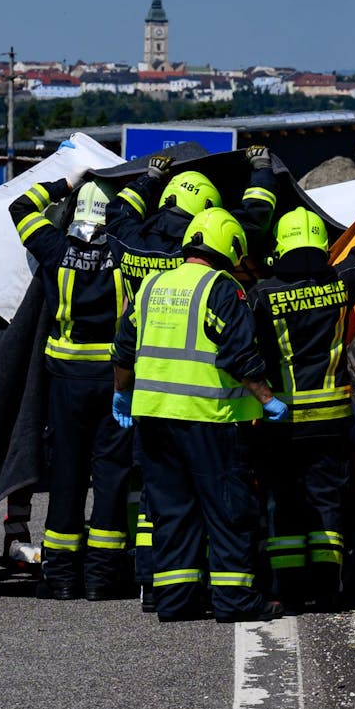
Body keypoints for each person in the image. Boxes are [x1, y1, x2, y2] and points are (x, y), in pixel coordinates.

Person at [105, 147, 279, 611]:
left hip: (152, 418)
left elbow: (123, 348)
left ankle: (176, 599)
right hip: (210, 419)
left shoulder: (151, 282)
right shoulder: (223, 288)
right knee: (227, 508)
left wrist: (122, 394)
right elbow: (240, 354)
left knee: (172, 511)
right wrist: (267, 397)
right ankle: (235, 598)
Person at [249, 193, 355, 609]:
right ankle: (328, 588)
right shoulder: (338, 283)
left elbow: (247, 351)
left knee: (287, 502)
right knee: (328, 500)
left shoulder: (262, 294)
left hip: (283, 419)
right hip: (332, 417)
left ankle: (288, 589)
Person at [2, 172, 134, 601]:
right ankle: (101, 579)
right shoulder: (125, 251)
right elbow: (142, 217)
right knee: (111, 477)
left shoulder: (54, 248)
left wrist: (62, 183)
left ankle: (59, 578)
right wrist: (147, 182)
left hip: (66, 382)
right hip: (115, 384)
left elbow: (19, 207)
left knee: (67, 477)